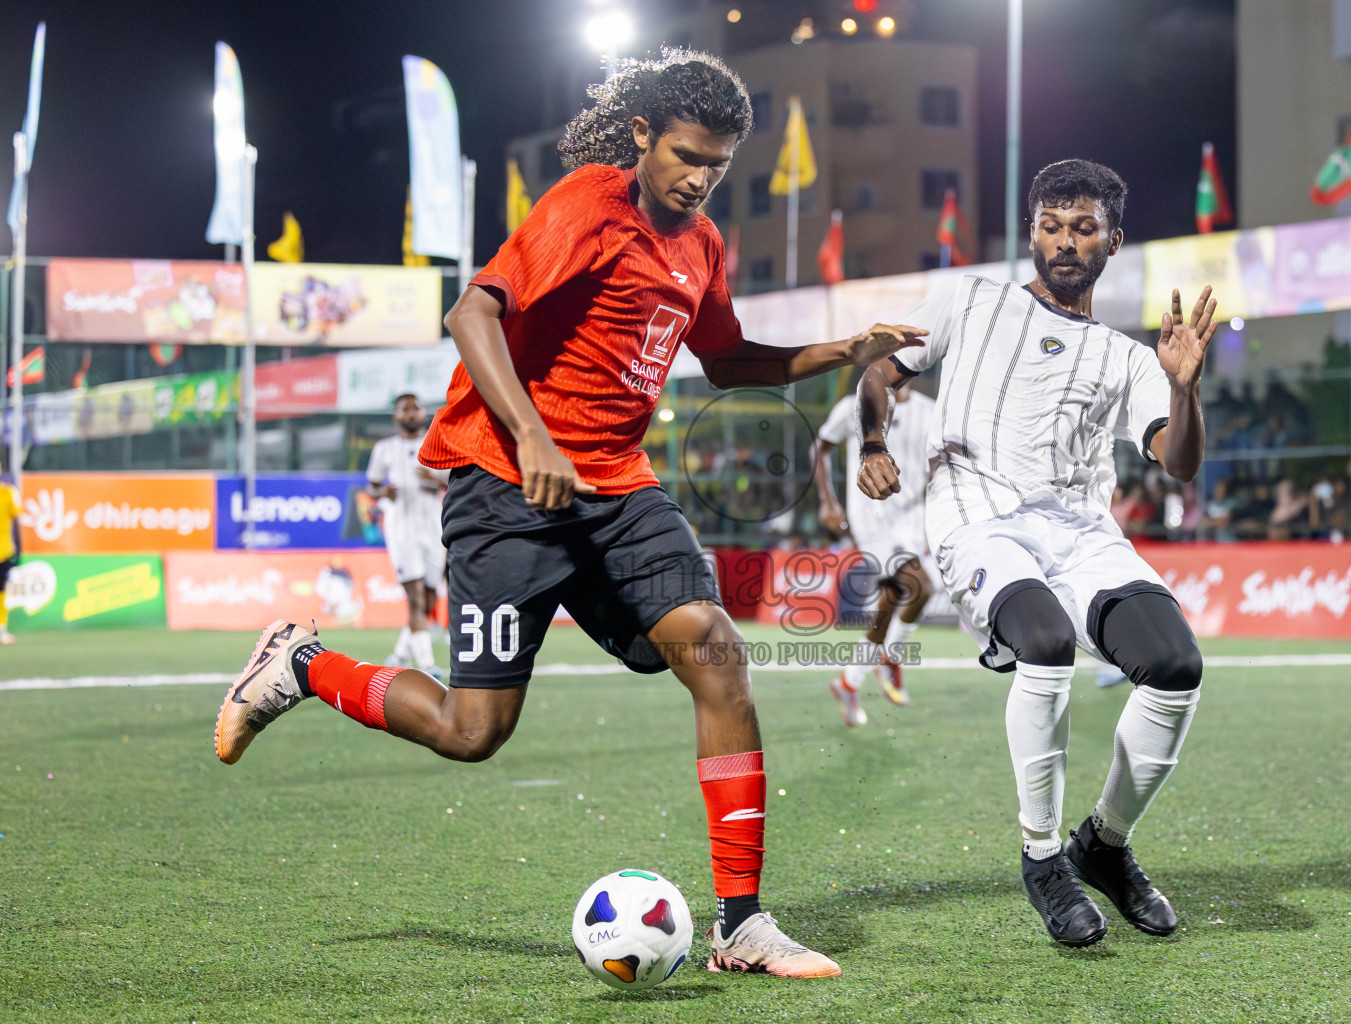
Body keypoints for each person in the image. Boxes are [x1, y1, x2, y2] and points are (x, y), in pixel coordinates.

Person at [214, 49, 924, 979]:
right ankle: (303, 664)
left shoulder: (702, 242)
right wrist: (534, 438)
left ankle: (741, 925)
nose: (699, 178)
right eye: (683, 155)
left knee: (716, 652)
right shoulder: (591, 204)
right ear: (641, 136)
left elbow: (726, 359)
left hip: (618, 489)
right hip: (505, 486)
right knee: (475, 733)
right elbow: (472, 315)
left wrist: (845, 347)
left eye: (716, 163)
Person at [856, 159, 1214, 947]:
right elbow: (880, 369)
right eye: (1050, 225)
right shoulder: (968, 299)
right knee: (1045, 643)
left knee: (1177, 665)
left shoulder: (1128, 358)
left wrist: (1183, 388)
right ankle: (1044, 856)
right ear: (1031, 231)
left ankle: (1105, 847)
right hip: (978, 520)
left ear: (1111, 241)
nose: (1063, 241)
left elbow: (1178, 460)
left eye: (1083, 227)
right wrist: (873, 439)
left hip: (1083, 534)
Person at [812, 385, 935, 725]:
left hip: (913, 519)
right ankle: (891, 658)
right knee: (922, 586)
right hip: (873, 517)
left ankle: (850, 681)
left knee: (889, 604)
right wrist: (828, 501)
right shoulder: (855, 405)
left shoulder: (930, 410)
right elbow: (820, 448)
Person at [367, 393, 450, 678]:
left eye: (416, 408)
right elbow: (373, 487)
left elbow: (455, 478)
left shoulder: (437, 443)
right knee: (415, 597)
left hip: (433, 527)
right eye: (406, 409)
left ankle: (400, 654)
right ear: (397, 416)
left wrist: (435, 479)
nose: (412, 413)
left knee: (427, 598)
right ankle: (427, 666)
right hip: (401, 528)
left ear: (424, 413)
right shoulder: (384, 449)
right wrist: (383, 492)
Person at [0, 473, 20, 645]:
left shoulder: (8, 493)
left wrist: (19, 548)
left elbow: (16, 520)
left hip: (3, 551)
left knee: (1, 591)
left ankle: (1, 628)